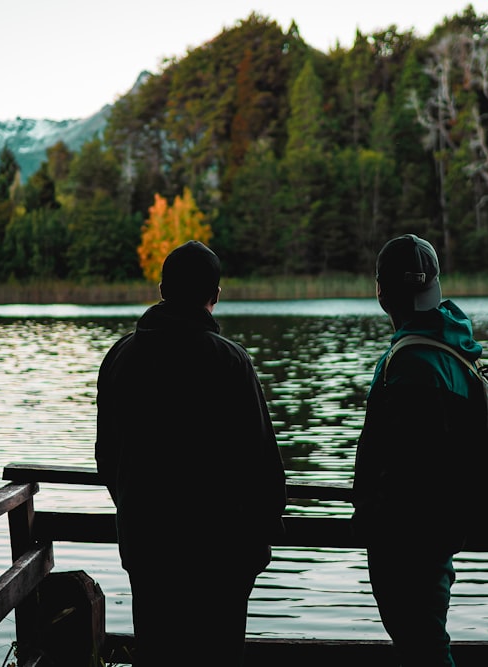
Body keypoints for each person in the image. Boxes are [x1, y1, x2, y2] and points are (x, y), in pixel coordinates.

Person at [95, 240, 287, 666]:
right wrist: (256, 547)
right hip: (220, 557)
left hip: (147, 547)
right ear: (214, 296)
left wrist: (135, 510)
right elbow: (264, 469)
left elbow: (106, 457)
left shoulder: (120, 357)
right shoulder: (230, 362)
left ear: (163, 288)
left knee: (158, 653)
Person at [352, 233, 487, 667]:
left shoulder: (410, 363)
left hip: (408, 544)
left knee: (423, 648)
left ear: (381, 294)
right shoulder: (454, 349)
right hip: (440, 536)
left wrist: (372, 516)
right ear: (433, 289)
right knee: (424, 643)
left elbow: (407, 468)